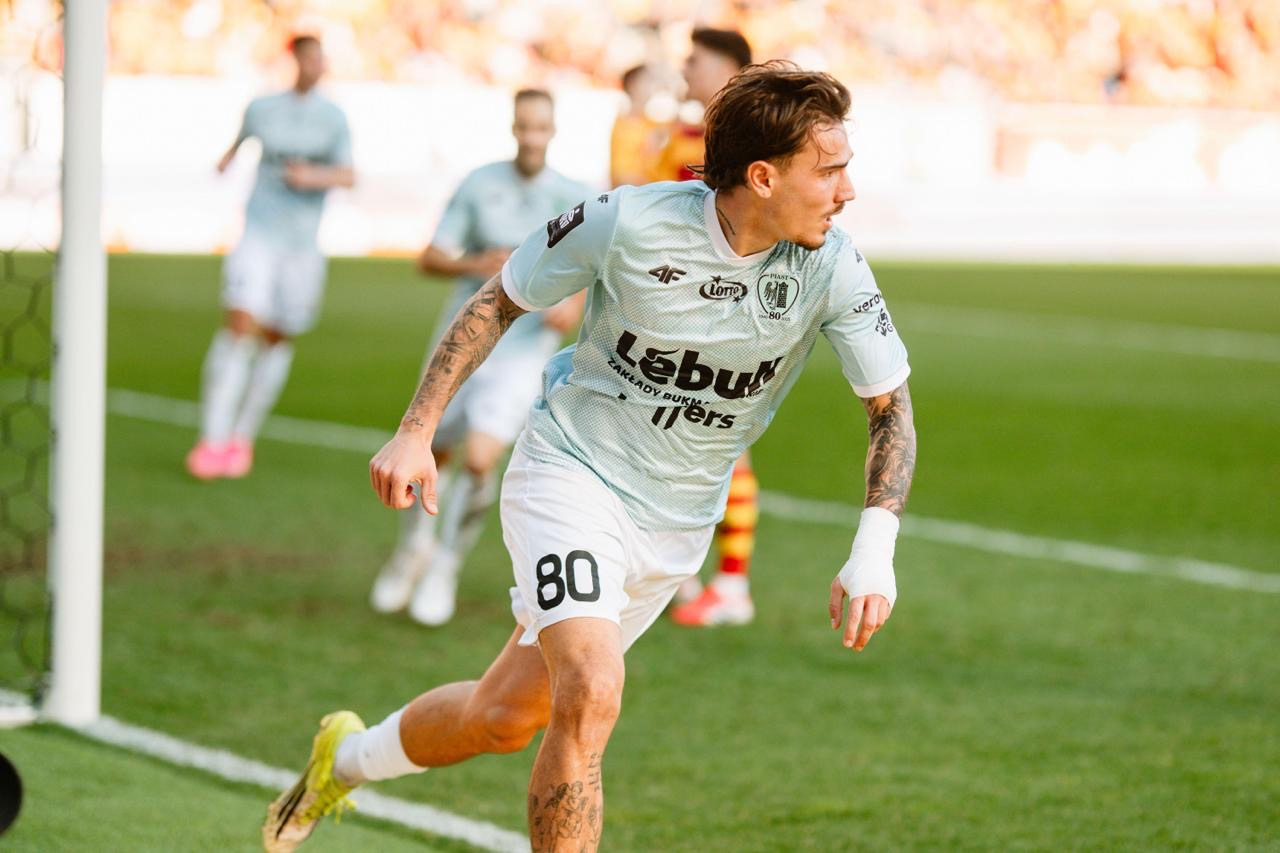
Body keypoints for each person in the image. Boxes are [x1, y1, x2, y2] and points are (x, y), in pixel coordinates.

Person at [263, 61, 916, 853]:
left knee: (503, 717)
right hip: (571, 476)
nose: (848, 191)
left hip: (677, 520)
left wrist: (874, 549)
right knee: (594, 687)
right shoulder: (626, 221)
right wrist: (416, 427)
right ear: (763, 176)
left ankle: (346, 759)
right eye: (831, 170)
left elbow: (890, 406)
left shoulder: (832, 264)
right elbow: (498, 299)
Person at [369, 89, 589, 626]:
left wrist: (573, 303)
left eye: (541, 127)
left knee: (480, 460)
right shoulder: (479, 184)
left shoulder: (574, 195)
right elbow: (430, 257)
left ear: (553, 131)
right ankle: (412, 550)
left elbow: (596, 268)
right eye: (524, 126)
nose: (532, 137)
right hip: (464, 337)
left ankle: (445, 565)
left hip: (524, 351)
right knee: (431, 449)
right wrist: (476, 264)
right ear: (513, 128)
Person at [185, 35, 353, 480]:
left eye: (320, 58)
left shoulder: (333, 118)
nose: (314, 65)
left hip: (302, 247)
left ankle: (241, 437)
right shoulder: (262, 108)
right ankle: (211, 438)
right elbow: (238, 143)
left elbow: (349, 175)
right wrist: (223, 163)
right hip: (258, 234)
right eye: (307, 57)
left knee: (278, 337)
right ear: (294, 60)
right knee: (240, 325)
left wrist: (311, 176)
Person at [648, 28, 761, 627]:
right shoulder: (683, 137)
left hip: (730, 315)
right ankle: (683, 574)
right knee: (671, 440)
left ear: (730, 70)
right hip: (676, 311)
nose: (686, 69)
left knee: (722, 444)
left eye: (697, 60)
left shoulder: (754, 146)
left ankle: (732, 584)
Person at [608, 65, 662, 188]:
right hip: (631, 192)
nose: (651, 86)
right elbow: (619, 173)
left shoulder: (655, 123)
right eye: (646, 81)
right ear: (632, 84)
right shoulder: (623, 125)